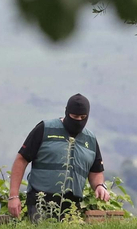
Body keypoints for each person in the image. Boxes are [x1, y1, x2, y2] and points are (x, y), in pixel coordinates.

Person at [7, 93, 111, 221]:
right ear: (67, 113)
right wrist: (13, 196)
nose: (78, 120)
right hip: (40, 202)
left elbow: (96, 171)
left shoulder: (90, 139)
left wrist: (99, 185)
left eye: (83, 117)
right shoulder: (45, 129)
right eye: (74, 116)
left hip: (72, 206)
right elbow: (21, 160)